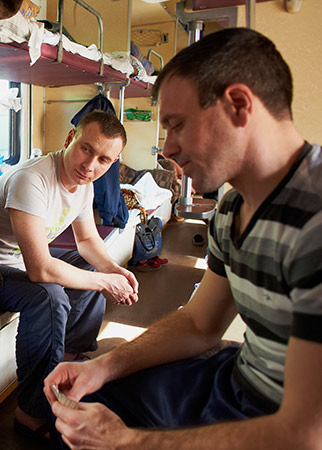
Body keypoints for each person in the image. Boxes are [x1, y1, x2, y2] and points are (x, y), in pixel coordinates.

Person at [44, 28, 322, 449]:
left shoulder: (314, 220)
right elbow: (199, 323)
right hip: (239, 381)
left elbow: (304, 434)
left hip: (283, 420)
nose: (167, 149)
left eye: (177, 125)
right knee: (83, 401)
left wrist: (127, 441)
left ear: (239, 105)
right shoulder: (231, 210)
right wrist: (103, 366)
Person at [0, 110, 139, 438]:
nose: (90, 165)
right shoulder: (32, 179)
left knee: (88, 265)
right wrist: (104, 283)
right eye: (86, 149)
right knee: (50, 296)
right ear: (69, 140)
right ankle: (31, 412)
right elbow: (41, 268)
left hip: (21, 262)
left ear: (113, 163)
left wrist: (113, 270)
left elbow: (88, 241)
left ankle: (69, 358)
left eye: (104, 159)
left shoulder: (84, 183)